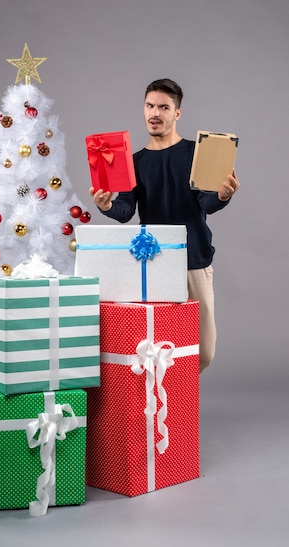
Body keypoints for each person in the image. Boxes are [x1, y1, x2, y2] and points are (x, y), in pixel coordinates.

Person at [89, 78, 240, 373]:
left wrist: (222, 195)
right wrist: (105, 205)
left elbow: (206, 203)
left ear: (177, 113)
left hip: (193, 260)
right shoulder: (133, 162)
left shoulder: (197, 153)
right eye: (149, 105)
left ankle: (178, 394)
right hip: (153, 262)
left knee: (203, 351)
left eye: (163, 107)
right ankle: (167, 411)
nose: (154, 112)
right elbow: (125, 212)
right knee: (157, 346)